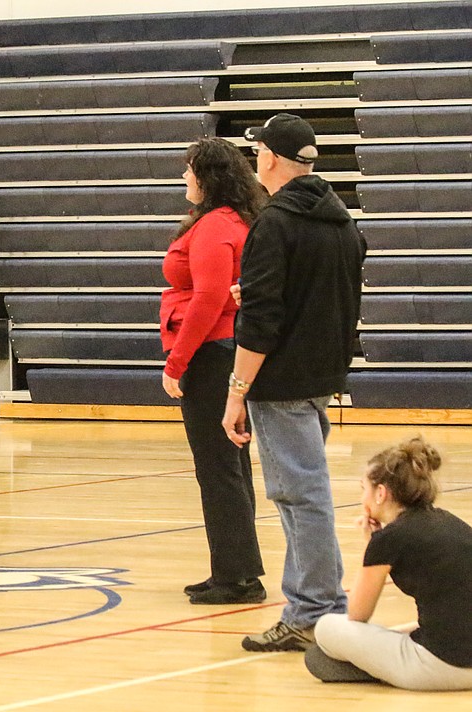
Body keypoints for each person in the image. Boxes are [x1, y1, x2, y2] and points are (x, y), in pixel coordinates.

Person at [222, 113, 366, 651]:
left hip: (279, 382)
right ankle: (314, 606)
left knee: (301, 496)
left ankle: (314, 613)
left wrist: (236, 394)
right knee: (300, 494)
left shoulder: (274, 223)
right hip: (321, 376)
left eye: (258, 151)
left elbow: (261, 325)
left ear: (271, 159)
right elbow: (329, 298)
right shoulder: (341, 221)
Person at [160, 138, 267, 605]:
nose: (184, 177)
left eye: (189, 170)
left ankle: (235, 577)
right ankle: (236, 569)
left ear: (208, 177)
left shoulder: (214, 228)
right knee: (230, 466)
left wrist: (176, 363)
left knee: (219, 468)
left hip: (210, 354)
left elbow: (208, 299)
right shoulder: (229, 221)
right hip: (223, 350)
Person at [306, 437, 472, 690]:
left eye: (364, 489)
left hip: (441, 667)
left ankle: (377, 667)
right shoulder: (450, 521)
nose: (363, 497)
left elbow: (357, 614)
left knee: (327, 628)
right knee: (406, 628)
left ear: (381, 493)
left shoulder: (389, 538)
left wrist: (371, 544)